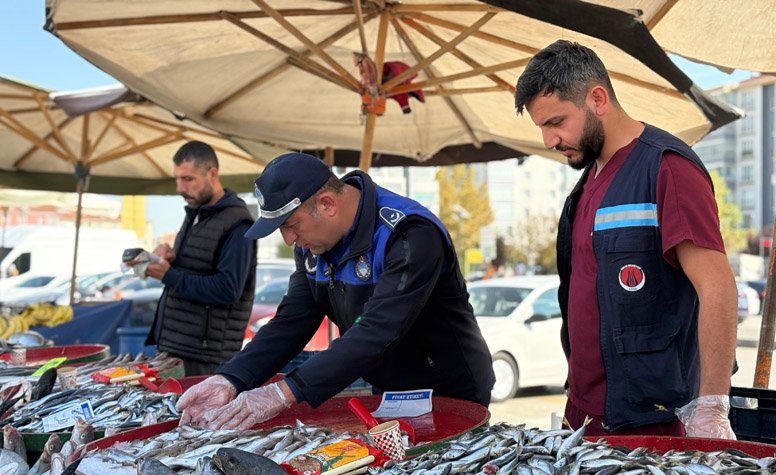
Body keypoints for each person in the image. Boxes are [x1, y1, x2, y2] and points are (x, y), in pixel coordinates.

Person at [514, 40, 738, 439]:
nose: (549, 141)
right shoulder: (583, 189)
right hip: (585, 415)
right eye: (541, 128)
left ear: (597, 99)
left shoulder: (668, 168)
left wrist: (711, 407)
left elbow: (717, 288)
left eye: (556, 122)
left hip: (653, 423)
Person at [177, 152, 494, 430]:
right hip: (387, 393)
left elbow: (377, 331)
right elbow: (293, 320)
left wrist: (282, 393)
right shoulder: (313, 245)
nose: (288, 239)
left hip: (450, 391)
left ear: (327, 204)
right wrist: (231, 378)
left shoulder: (409, 234)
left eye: (291, 225)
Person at [141, 141, 257, 376]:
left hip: (205, 357)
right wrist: (170, 257)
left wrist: (169, 275)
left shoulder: (237, 224)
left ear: (212, 174)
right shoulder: (196, 213)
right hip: (178, 347)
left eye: (188, 179)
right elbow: (197, 268)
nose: (180, 188)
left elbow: (227, 290)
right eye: (177, 179)